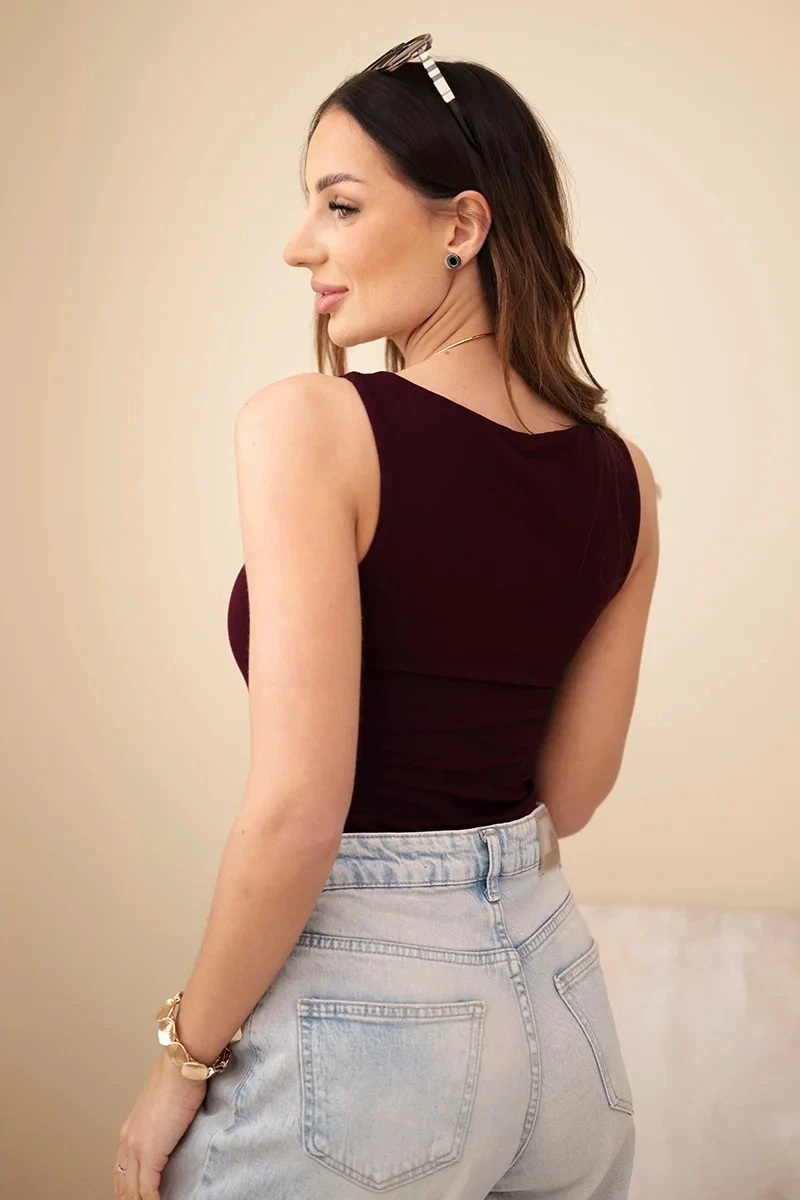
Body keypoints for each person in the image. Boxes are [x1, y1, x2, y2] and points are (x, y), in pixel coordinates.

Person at [114, 34, 659, 1200]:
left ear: (461, 225)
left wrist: (181, 1058)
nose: (298, 245)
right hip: (559, 1009)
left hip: (374, 1031)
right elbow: (569, 793)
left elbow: (298, 814)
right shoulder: (621, 474)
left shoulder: (312, 426)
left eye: (340, 204)